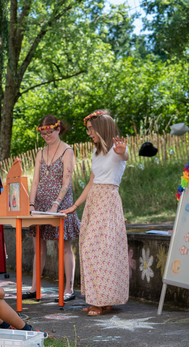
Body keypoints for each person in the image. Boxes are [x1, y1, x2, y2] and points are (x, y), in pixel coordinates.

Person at [61, 110, 129, 316]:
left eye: (91, 129)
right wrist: (75, 206)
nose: (89, 133)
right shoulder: (96, 153)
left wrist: (123, 151)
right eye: (88, 130)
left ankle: (100, 301)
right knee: (90, 248)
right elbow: (91, 182)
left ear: (102, 127)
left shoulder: (117, 151)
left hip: (108, 201)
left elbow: (125, 156)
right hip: (94, 202)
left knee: (102, 249)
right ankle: (100, 299)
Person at [23, 115, 80, 302]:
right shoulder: (40, 153)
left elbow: (67, 180)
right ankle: (34, 288)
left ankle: (68, 289)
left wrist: (57, 203)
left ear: (58, 130)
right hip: (41, 203)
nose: (47, 136)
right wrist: (31, 204)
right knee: (38, 245)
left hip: (60, 203)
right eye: (43, 133)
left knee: (64, 246)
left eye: (50, 133)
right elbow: (35, 181)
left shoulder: (67, 151)